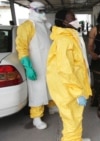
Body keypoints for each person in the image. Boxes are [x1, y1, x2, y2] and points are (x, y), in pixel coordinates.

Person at [46, 8, 92, 141]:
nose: (76, 20)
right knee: (72, 118)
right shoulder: (64, 40)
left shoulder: (70, 36)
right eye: (73, 18)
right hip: (68, 88)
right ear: (65, 22)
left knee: (74, 117)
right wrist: (77, 92)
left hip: (70, 85)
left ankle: (76, 138)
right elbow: (65, 69)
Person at [15, 1, 58, 130]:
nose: (43, 13)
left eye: (44, 10)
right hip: (36, 65)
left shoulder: (45, 24)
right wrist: (28, 67)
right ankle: (36, 117)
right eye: (40, 11)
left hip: (49, 64)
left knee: (51, 86)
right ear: (32, 10)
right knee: (37, 90)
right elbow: (21, 47)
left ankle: (51, 106)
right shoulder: (26, 26)